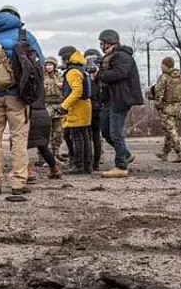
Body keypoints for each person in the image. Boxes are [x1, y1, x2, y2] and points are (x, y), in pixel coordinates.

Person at [0, 5, 45, 196]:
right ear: (16, 17)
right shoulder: (24, 35)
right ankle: (18, 182)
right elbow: (40, 64)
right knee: (19, 137)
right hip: (17, 96)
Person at [95, 29, 145, 178]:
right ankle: (126, 154)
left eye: (102, 43)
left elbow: (119, 74)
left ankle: (121, 166)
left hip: (120, 99)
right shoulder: (108, 58)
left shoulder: (123, 56)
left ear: (109, 42)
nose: (101, 46)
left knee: (116, 133)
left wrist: (100, 74)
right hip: (109, 99)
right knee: (105, 131)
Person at [57, 46, 93, 174]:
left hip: (77, 108)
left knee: (76, 137)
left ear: (67, 58)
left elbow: (77, 91)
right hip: (84, 106)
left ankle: (78, 165)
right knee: (84, 137)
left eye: (62, 59)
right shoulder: (81, 69)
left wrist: (64, 106)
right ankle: (87, 165)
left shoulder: (72, 72)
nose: (61, 62)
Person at [149, 56, 181, 162]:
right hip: (178, 107)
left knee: (171, 131)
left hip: (167, 108)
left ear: (166, 66)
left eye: (162, 65)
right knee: (170, 130)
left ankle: (180, 153)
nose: (161, 67)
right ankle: (165, 153)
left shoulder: (164, 77)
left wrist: (158, 106)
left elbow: (158, 93)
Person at [25, 82, 63, 187]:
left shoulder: (24, 81)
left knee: (20, 145)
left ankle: (28, 172)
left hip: (29, 115)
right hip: (43, 114)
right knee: (43, 146)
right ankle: (54, 169)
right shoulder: (41, 82)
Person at [83, 48, 104, 171]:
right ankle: (96, 161)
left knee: (89, 135)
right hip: (99, 107)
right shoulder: (102, 73)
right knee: (96, 135)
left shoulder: (85, 74)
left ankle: (90, 162)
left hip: (89, 106)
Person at [42, 57, 66, 161]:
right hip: (46, 105)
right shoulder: (42, 77)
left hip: (58, 106)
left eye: (51, 65)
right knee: (46, 132)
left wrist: (63, 86)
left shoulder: (60, 77)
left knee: (58, 132)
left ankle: (56, 152)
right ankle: (45, 156)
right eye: (47, 65)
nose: (49, 67)